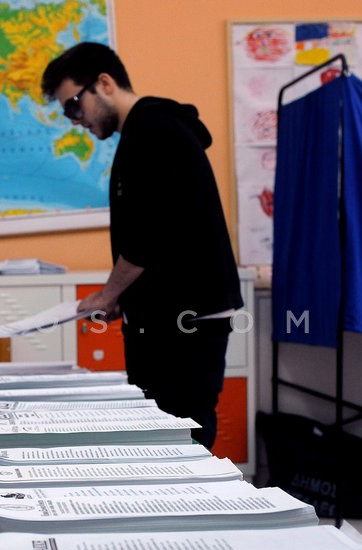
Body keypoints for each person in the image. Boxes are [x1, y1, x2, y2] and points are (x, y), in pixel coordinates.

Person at [41, 42, 242, 449]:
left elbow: (147, 234)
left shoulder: (153, 129)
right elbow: (158, 230)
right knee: (160, 436)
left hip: (184, 319)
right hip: (171, 315)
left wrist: (108, 294)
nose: (75, 120)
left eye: (75, 105)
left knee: (178, 439)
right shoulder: (146, 131)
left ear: (105, 83)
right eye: (67, 112)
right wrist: (122, 297)